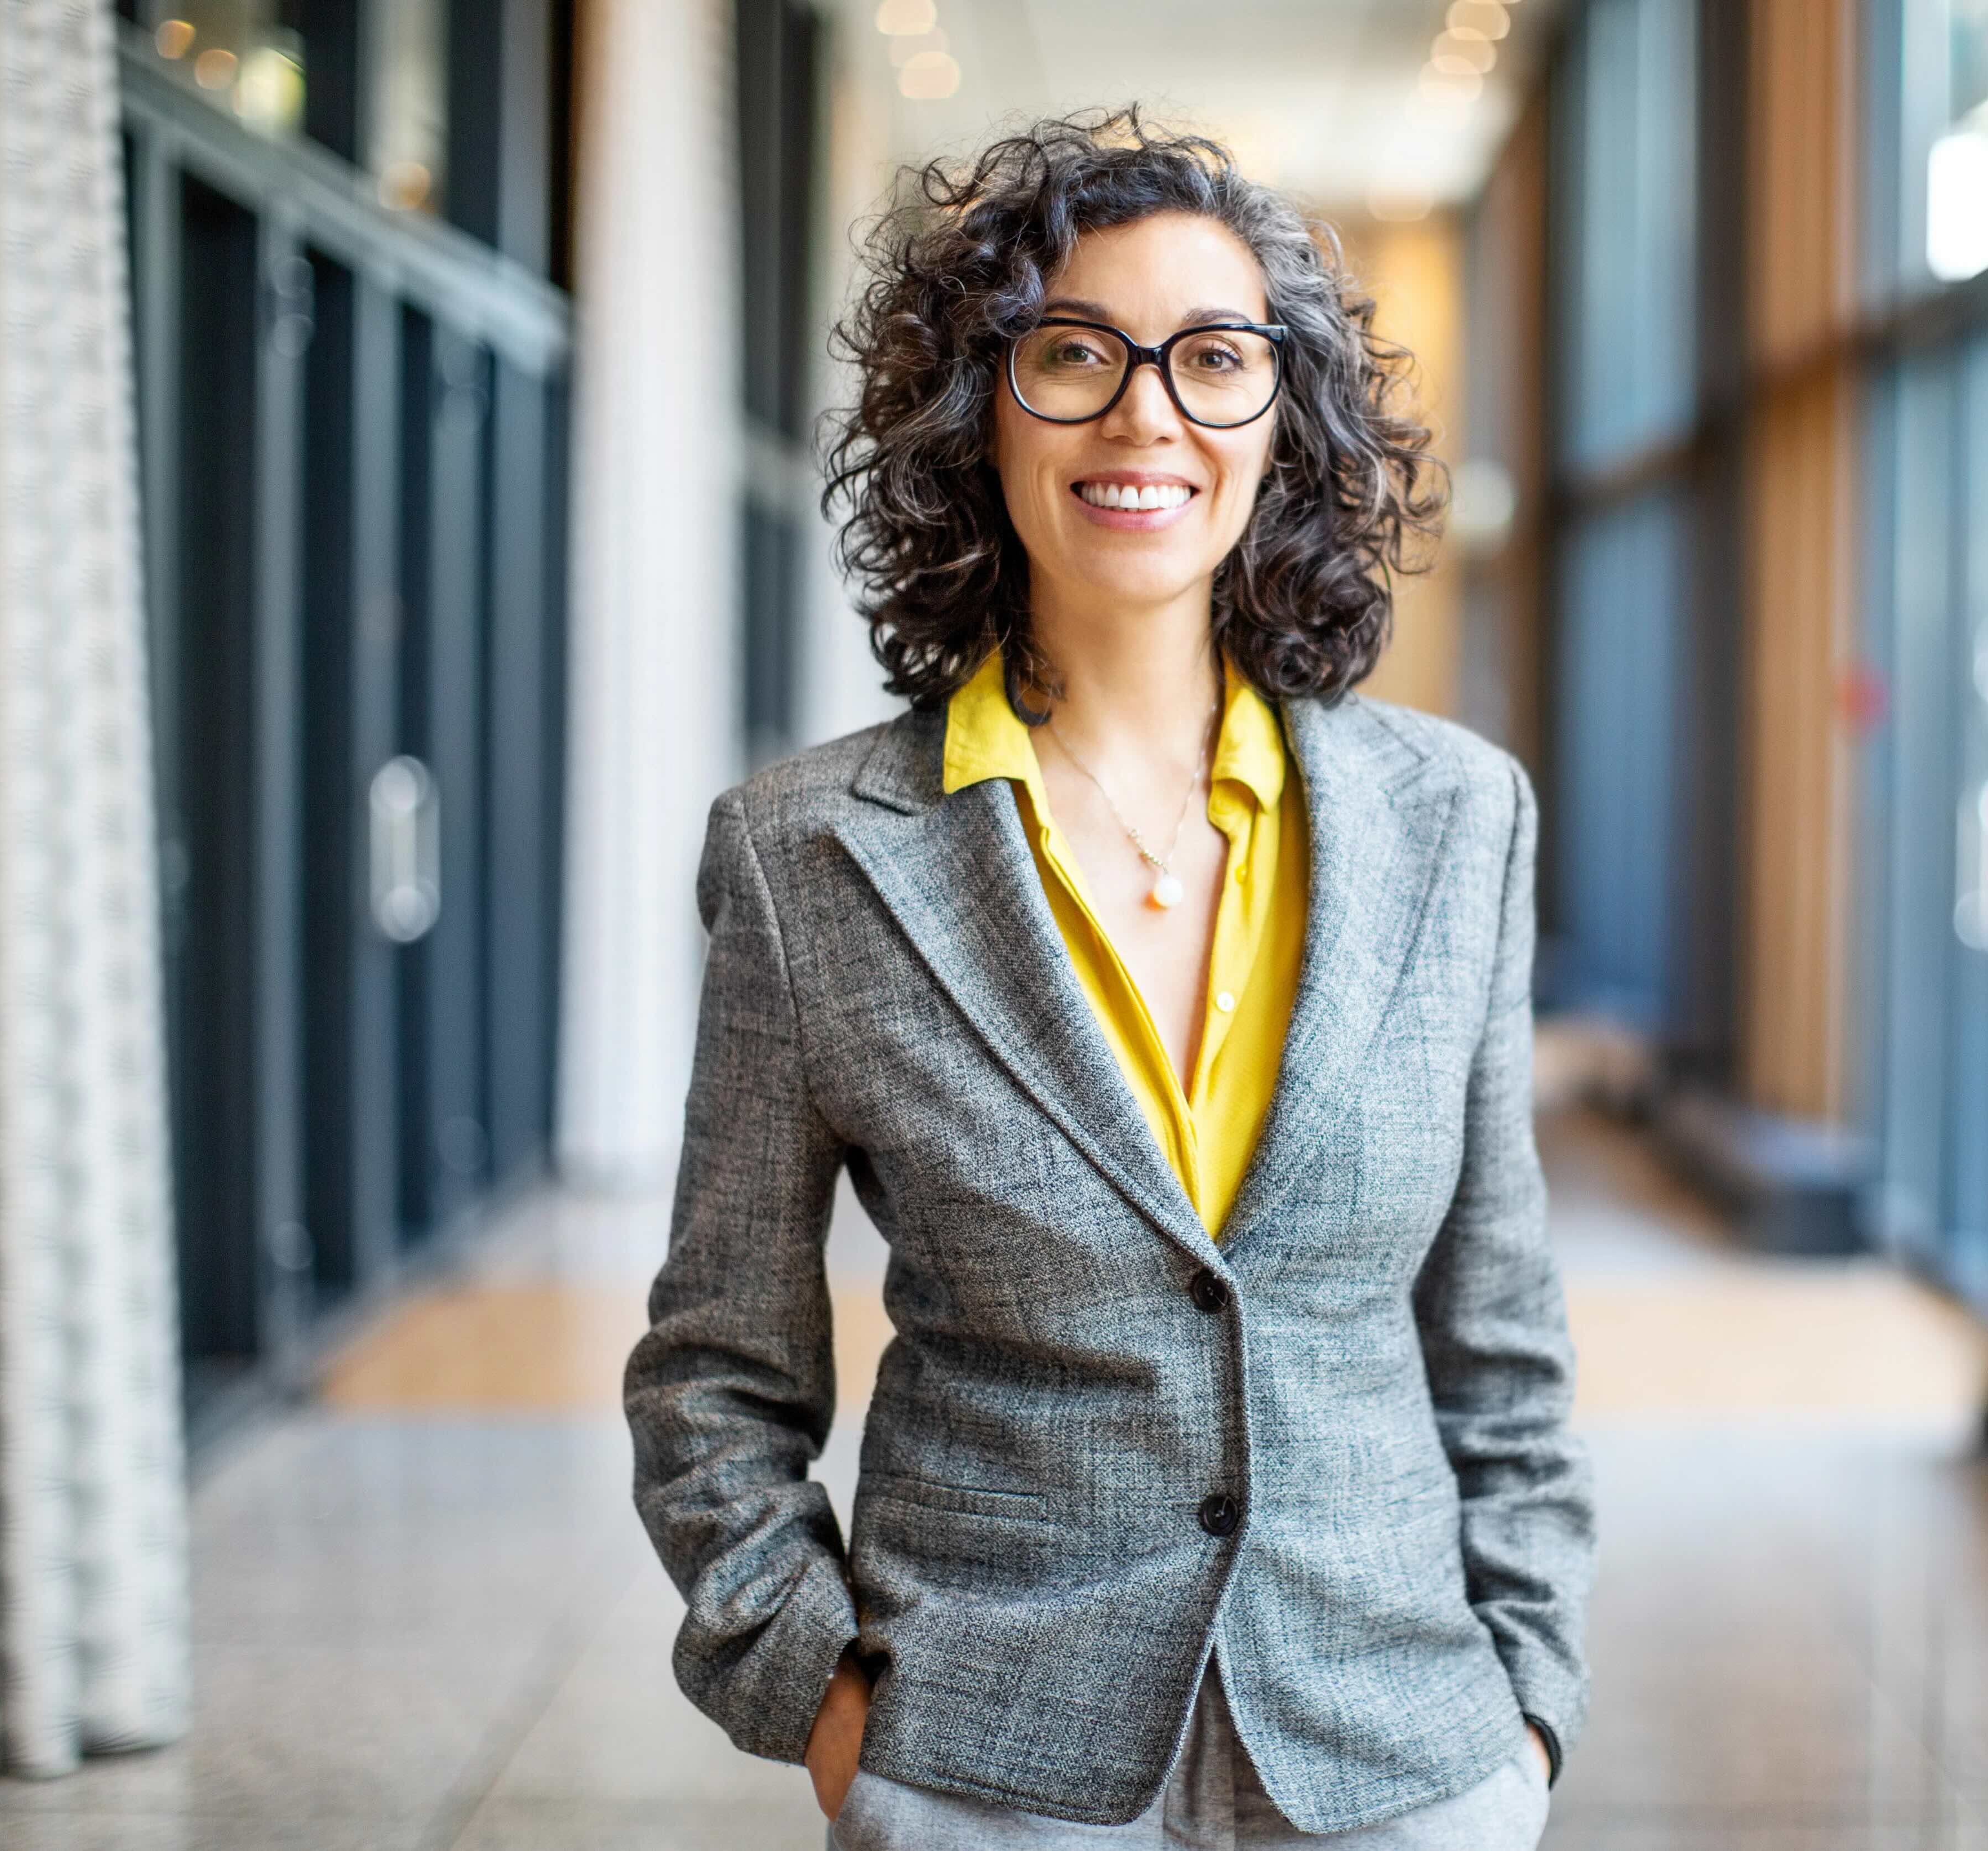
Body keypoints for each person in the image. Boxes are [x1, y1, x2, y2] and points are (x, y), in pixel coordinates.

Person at [622, 108, 1596, 1848]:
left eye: (1213, 358)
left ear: (1280, 424)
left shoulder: (1458, 822)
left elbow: (1498, 1339)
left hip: (1400, 1758)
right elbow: (715, 1369)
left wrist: (1525, 1710)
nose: (1146, 410)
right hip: (987, 1768)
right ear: (977, 411)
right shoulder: (808, 856)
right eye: (1074, 354)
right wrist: (827, 1708)